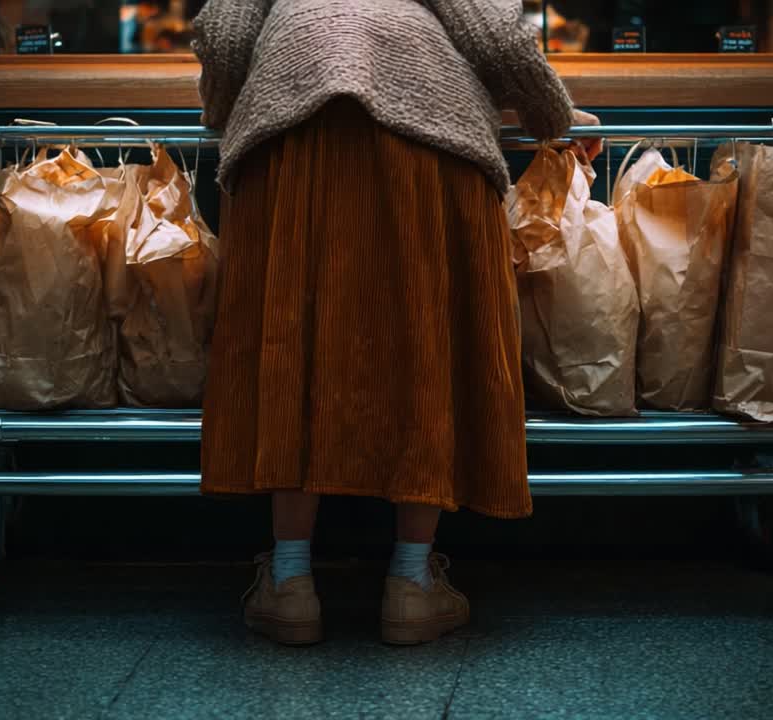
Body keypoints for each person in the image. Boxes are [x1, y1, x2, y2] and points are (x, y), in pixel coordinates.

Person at [193, 0, 600, 646]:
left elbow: (222, 33)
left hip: (292, 130)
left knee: (291, 342)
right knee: (425, 343)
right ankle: (412, 583)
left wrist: (225, 110)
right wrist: (553, 119)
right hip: (429, 134)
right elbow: (497, 35)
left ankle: (291, 582)